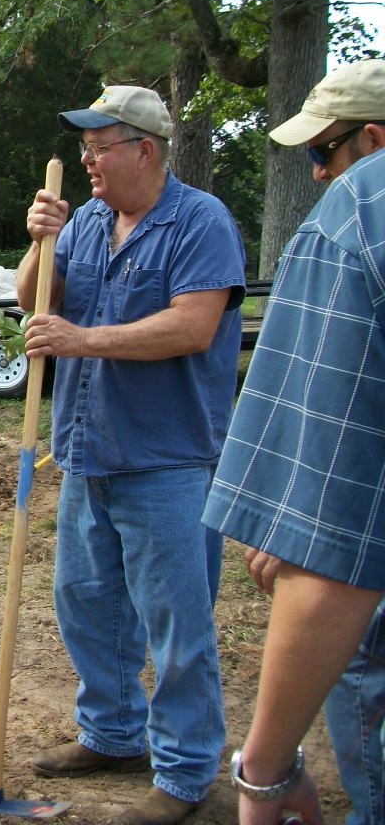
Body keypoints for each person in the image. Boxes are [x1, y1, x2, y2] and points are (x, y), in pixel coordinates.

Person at [17, 85, 246, 825]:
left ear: (143, 150)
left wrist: (81, 341)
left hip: (169, 460)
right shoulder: (84, 222)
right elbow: (37, 300)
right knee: (86, 605)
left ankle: (184, 775)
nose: (87, 159)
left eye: (99, 146)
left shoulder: (200, 221)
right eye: (83, 146)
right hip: (88, 453)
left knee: (178, 624)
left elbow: (192, 327)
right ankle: (113, 735)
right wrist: (37, 240)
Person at [201, 58, 385, 825]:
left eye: (324, 152)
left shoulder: (362, 212)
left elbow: (335, 550)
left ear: (373, 139)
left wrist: (265, 775)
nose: (316, 176)